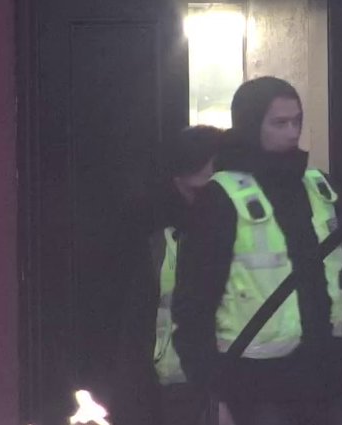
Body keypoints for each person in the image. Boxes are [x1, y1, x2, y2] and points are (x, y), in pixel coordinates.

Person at [172, 76, 342, 425]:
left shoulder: (322, 188)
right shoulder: (220, 199)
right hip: (254, 386)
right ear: (250, 124)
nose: (292, 133)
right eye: (280, 123)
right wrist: (211, 396)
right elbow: (193, 308)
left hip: (329, 377)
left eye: (297, 121)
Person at [111, 125, 230, 425]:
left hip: (234, 375)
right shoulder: (153, 238)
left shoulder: (242, 229)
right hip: (175, 384)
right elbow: (135, 327)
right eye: (197, 191)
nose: (206, 202)